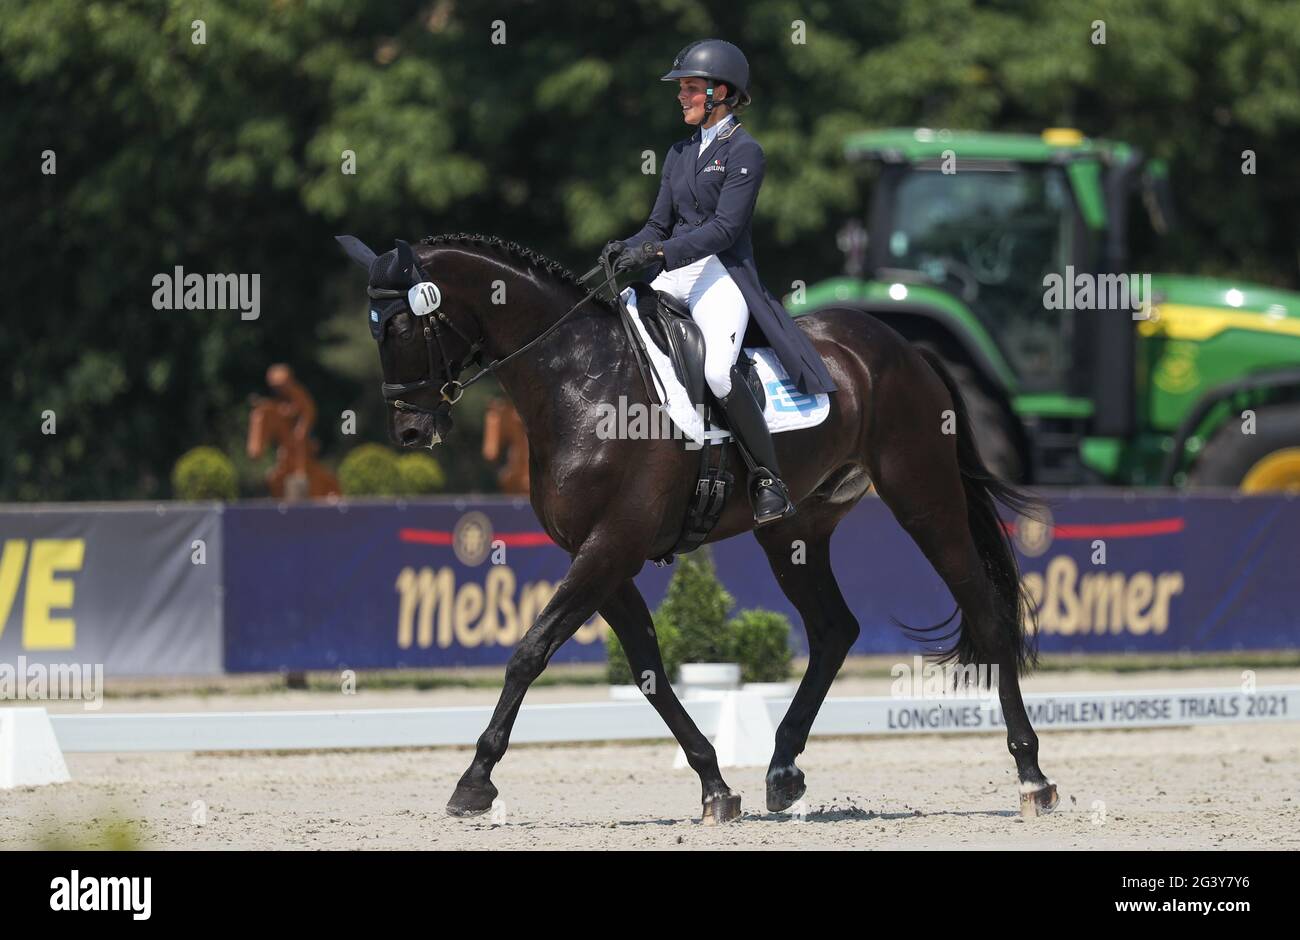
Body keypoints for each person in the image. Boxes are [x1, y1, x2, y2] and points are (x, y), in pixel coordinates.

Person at [601, 39, 837, 526]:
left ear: (719, 93)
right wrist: (627, 246)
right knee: (617, 334)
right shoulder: (679, 152)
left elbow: (725, 229)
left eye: (689, 88)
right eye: (682, 88)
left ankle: (767, 478)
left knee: (716, 372)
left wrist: (660, 252)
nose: (681, 96)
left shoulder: (746, 152)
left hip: (721, 273)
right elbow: (657, 224)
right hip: (675, 269)